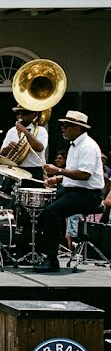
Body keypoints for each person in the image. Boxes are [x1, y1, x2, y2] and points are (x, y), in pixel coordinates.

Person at [36, 111, 106, 273]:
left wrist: (58, 170)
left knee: (52, 213)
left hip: (88, 195)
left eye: (66, 126)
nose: (62, 129)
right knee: (43, 213)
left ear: (78, 128)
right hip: (74, 190)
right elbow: (74, 172)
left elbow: (85, 174)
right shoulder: (76, 145)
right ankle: (45, 252)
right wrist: (59, 179)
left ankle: (52, 260)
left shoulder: (87, 146)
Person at [0, 106, 47, 180]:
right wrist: (9, 147)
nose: (20, 117)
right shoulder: (12, 131)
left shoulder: (41, 130)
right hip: (15, 170)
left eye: (24, 114)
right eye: (18, 114)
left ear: (33, 115)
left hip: (35, 170)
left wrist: (25, 131)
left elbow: (39, 148)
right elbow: (2, 153)